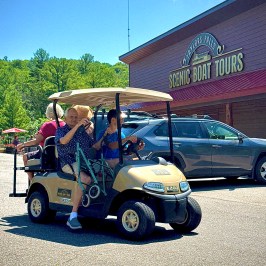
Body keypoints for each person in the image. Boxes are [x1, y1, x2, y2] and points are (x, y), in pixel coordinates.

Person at [55, 107, 94, 230]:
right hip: (69, 162)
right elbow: (64, 141)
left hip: (84, 161)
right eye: (71, 117)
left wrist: (103, 134)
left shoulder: (82, 132)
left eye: (76, 117)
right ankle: (73, 215)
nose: (74, 119)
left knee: (106, 173)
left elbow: (95, 146)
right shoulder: (61, 130)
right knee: (85, 178)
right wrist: (77, 127)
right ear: (65, 118)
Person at [17, 103, 65, 181]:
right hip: (60, 155)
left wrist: (22, 145)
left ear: (48, 112)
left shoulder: (47, 125)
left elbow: (36, 142)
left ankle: (32, 181)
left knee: (25, 156)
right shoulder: (64, 124)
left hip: (46, 154)